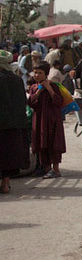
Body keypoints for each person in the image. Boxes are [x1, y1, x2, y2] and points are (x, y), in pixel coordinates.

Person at [27, 62, 66, 178]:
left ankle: (56, 169)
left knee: (54, 143)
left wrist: (49, 89)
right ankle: (47, 168)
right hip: (39, 120)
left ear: (46, 74)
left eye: (40, 73)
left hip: (52, 120)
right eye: (35, 73)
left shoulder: (54, 86)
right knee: (41, 143)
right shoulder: (33, 88)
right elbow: (31, 103)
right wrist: (39, 91)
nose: (37, 75)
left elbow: (59, 101)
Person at [0, 50, 30, 193]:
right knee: (8, 154)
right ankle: (6, 183)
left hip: (3, 123)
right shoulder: (17, 79)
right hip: (14, 124)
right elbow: (22, 101)